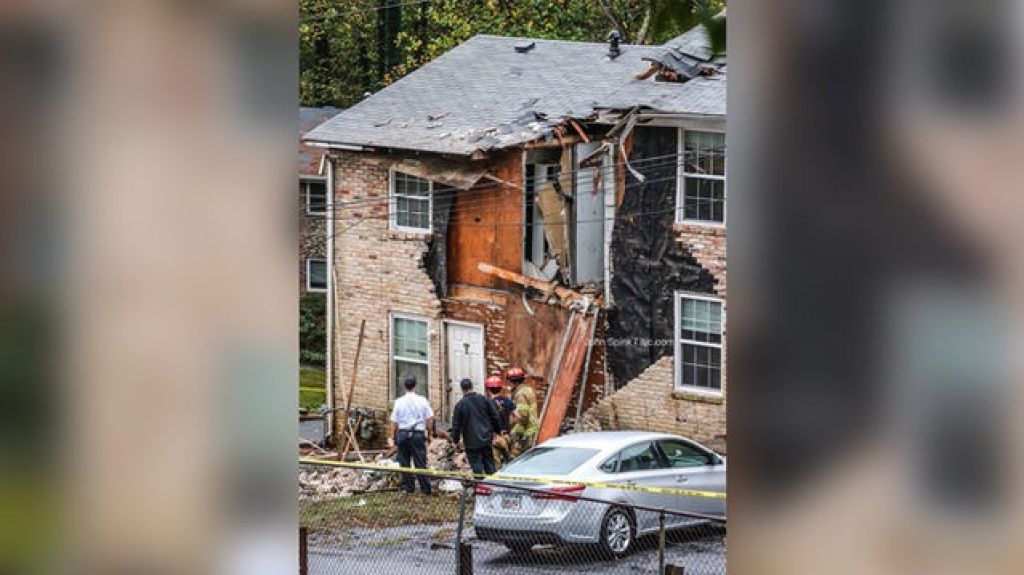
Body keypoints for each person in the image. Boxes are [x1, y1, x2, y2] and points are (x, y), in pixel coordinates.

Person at [390, 375, 434, 495]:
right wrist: (429, 434)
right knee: (420, 462)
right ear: (415, 386)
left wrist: (393, 438)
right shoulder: (422, 400)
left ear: (405, 386)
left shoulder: (398, 402)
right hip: (417, 434)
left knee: (404, 462)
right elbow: (430, 419)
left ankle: (409, 488)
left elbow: (394, 422)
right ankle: (425, 489)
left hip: (403, 434)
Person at [449, 378, 502, 477]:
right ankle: (492, 485)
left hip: (471, 441)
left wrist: (455, 440)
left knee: (476, 466)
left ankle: (480, 486)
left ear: (462, 389)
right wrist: (497, 431)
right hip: (486, 437)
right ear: (472, 386)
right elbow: (495, 416)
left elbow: (456, 426)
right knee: (489, 464)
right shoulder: (484, 399)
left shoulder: (460, 405)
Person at [506, 365, 539, 457]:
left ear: (513, 382)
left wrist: (516, 433)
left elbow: (522, 416)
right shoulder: (528, 389)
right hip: (531, 428)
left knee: (515, 458)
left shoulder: (520, 395)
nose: (509, 383)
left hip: (526, 431)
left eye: (509, 381)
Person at [485, 374, 517, 465]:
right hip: (506, 436)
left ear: (488, 389)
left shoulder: (488, 403)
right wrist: (509, 426)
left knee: (495, 463)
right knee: (510, 462)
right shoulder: (507, 401)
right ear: (501, 388)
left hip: (494, 437)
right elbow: (516, 415)